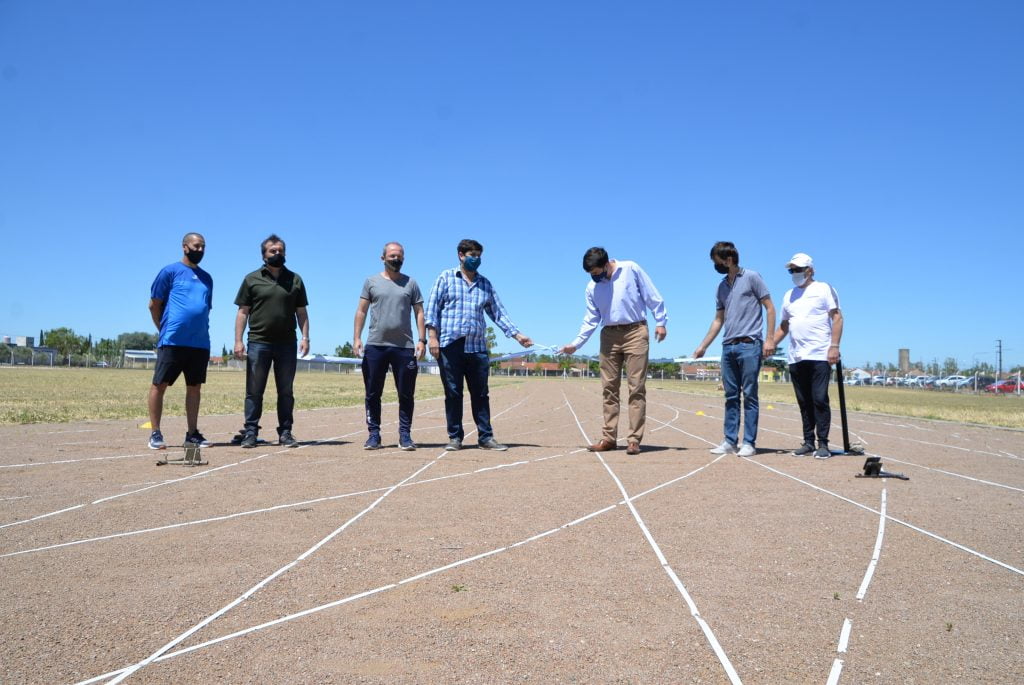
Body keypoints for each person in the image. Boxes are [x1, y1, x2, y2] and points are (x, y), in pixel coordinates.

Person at [425, 239, 533, 451]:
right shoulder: (446, 278)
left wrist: (517, 335)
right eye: (472, 255)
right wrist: (432, 337)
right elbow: (432, 309)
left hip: (477, 348)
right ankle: (455, 437)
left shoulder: (485, 284)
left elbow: (498, 313)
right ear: (461, 255)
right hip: (450, 345)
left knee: (481, 394)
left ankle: (485, 437)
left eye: (479, 255)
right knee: (453, 393)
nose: (476, 259)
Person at [559, 247, 667, 456]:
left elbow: (652, 296)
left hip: (636, 331)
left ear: (607, 264)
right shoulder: (592, 287)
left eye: (597, 273)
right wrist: (576, 344)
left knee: (636, 387)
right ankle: (609, 438)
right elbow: (591, 319)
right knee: (609, 388)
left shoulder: (630, 269)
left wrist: (661, 322)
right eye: (591, 275)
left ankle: (634, 440)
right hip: (608, 335)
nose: (594, 278)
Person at [693, 241, 776, 458]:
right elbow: (718, 320)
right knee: (731, 396)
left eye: (717, 261)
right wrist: (703, 346)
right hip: (728, 347)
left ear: (728, 260)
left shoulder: (752, 277)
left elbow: (769, 307)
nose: (715, 265)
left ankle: (749, 442)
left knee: (749, 394)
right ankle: (729, 441)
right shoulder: (721, 287)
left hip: (750, 345)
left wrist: (769, 340)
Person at [233, 234, 310, 448]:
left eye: (280, 251)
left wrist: (305, 337)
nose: (277, 254)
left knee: (285, 391)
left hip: (287, 343)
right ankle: (250, 431)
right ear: (264, 254)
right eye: (272, 251)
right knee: (254, 390)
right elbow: (242, 312)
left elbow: (301, 312)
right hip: (259, 342)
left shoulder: (295, 279)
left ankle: (285, 432)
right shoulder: (251, 279)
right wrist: (238, 341)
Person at [353, 241, 426, 451]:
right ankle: (373, 435)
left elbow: (419, 312)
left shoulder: (411, 283)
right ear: (383, 258)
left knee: (406, 394)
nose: (396, 259)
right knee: (373, 393)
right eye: (392, 255)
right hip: (376, 345)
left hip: (404, 347)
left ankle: (405, 435)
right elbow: (361, 311)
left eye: (400, 256)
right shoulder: (371, 282)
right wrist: (357, 338)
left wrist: (421, 340)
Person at [771, 253, 844, 459]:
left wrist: (834, 346)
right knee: (804, 402)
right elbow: (784, 326)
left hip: (820, 354)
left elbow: (837, 318)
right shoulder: (789, 295)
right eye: (791, 270)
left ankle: (823, 444)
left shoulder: (823, 289)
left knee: (819, 399)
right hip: (796, 356)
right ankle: (808, 442)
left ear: (810, 270)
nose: (794, 273)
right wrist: (770, 344)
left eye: (797, 269)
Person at [147, 233, 214, 450]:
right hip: (173, 341)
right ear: (185, 247)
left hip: (200, 343)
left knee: (194, 387)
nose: (200, 250)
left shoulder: (207, 278)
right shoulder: (170, 272)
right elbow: (154, 305)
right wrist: (163, 329)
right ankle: (155, 433)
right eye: (196, 246)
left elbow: (205, 308)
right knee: (160, 385)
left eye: (203, 247)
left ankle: (192, 434)